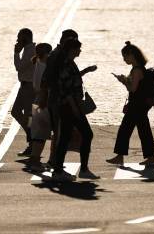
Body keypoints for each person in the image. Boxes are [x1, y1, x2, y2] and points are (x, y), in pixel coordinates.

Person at [52, 39, 99, 181]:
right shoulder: (66, 65)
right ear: (72, 49)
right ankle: (80, 169)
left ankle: (59, 170)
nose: (80, 51)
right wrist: (75, 109)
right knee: (86, 134)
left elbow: (73, 80)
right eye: (78, 48)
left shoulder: (69, 63)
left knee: (65, 138)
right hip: (69, 107)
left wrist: (86, 71)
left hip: (70, 106)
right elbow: (66, 91)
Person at [107, 42, 154, 167]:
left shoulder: (136, 70)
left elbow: (132, 89)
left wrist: (123, 81)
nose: (124, 59)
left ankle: (121, 156)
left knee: (125, 130)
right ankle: (150, 157)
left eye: (125, 56)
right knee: (142, 130)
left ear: (132, 55)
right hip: (140, 105)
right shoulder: (140, 68)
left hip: (136, 105)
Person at [41, 29, 82, 166]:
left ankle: (55, 160)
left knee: (61, 132)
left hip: (61, 99)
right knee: (60, 132)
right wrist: (43, 96)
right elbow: (49, 77)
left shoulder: (61, 55)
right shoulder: (58, 55)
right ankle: (54, 161)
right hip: (60, 99)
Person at [26, 42, 54, 172]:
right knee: (41, 134)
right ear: (47, 54)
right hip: (44, 100)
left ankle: (35, 160)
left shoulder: (38, 63)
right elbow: (44, 86)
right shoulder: (44, 66)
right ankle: (35, 161)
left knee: (39, 133)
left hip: (38, 100)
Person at [13, 28, 36, 157]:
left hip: (29, 87)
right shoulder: (27, 50)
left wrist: (16, 53)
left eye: (19, 37)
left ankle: (32, 144)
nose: (17, 40)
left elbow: (19, 67)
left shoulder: (30, 51)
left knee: (29, 117)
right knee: (16, 112)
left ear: (26, 38)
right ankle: (30, 135)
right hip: (24, 86)